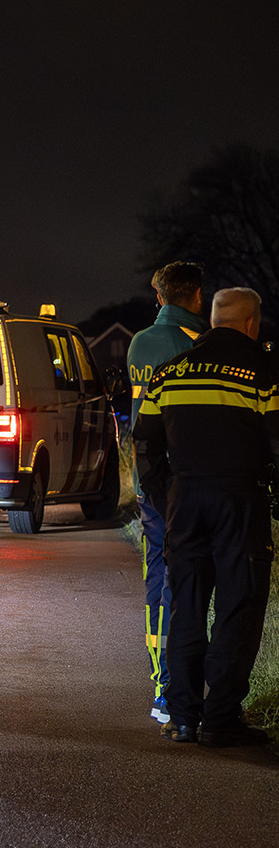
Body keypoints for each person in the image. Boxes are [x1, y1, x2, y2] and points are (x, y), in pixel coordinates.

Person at [132, 286, 279, 747]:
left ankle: (182, 718)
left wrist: (167, 498)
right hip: (240, 501)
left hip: (185, 501)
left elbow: (144, 444)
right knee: (239, 605)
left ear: (213, 320)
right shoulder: (264, 375)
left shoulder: (169, 373)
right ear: (251, 323)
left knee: (186, 606)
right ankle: (221, 718)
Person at [127, 261, 207, 732]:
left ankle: (161, 683)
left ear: (159, 297)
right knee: (188, 582)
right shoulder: (196, 345)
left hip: (148, 484)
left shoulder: (139, 343)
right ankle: (180, 688)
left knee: (157, 579)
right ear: (196, 296)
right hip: (187, 483)